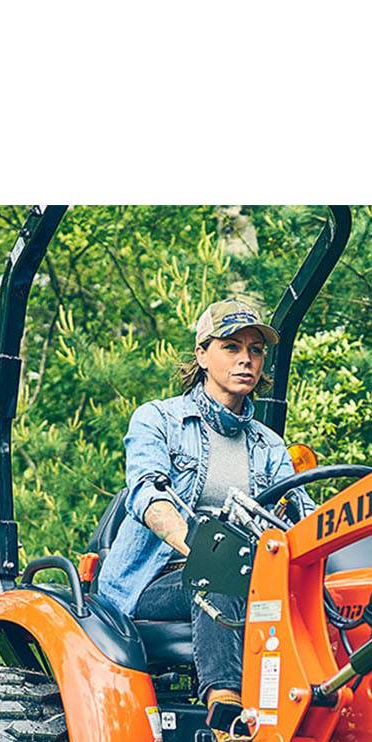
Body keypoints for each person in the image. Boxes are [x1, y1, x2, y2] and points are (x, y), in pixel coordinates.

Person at [94, 299, 311, 717]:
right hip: (158, 579)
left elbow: (301, 511)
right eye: (231, 347)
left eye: (256, 349)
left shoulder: (269, 445)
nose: (247, 359)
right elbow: (147, 493)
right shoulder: (158, 420)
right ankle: (225, 710)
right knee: (219, 573)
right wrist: (196, 549)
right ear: (202, 355)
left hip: (250, 579)